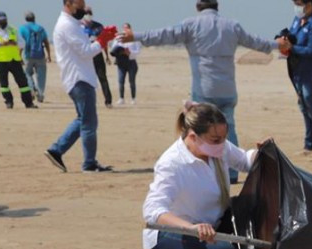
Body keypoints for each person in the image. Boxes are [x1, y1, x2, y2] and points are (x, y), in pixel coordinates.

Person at [118, 2, 278, 183]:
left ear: (198, 7)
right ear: (216, 6)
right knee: (228, 128)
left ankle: (207, 170)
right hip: (227, 90)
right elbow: (256, 42)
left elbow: (164, 35)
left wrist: (135, 36)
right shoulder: (232, 26)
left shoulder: (191, 25)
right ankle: (231, 173)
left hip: (204, 89)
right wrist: (278, 44)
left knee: (201, 131)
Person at [143, 102, 263, 249]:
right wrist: (191, 228)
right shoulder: (172, 163)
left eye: (224, 138)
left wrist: (261, 153)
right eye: (216, 139)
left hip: (212, 224)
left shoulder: (219, 146)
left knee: (249, 217)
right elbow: (153, 211)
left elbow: (244, 161)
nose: (222, 144)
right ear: (193, 137)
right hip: (172, 234)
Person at [44, 0, 115, 173]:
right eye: (80, 6)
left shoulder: (74, 24)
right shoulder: (67, 25)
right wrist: (102, 41)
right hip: (78, 79)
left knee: (83, 119)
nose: (83, 9)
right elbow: (85, 51)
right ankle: (89, 163)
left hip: (80, 78)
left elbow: (85, 48)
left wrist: (101, 37)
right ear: (68, 3)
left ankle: (56, 150)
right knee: (89, 123)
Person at [278, 0, 312, 159]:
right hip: (298, 73)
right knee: (304, 108)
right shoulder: (297, 20)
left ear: (309, 5)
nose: (297, 7)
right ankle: (310, 144)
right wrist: (284, 39)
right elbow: (293, 37)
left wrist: (292, 48)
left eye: (300, 3)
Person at [0, 11, 36, 109]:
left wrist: (15, 43)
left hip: (14, 60)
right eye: (0, 20)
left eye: (4, 20)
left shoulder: (12, 29)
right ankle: (9, 102)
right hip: (0, 61)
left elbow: (23, 43)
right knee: (4, 84)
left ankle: (28, 103)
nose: (3, 22)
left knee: (23, 83)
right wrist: (0, 44)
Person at [81, 7, 113, 108]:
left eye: (90, 13)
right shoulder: (79, 26)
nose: (88, 15)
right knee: (85, 79)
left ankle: (108, 101)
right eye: (86, 13)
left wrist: (107, 55)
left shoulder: (99, 27)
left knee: (102, 77)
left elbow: (104, 42)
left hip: (97, 55)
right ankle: (86, 101)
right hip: (85, 56)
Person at [18, 12, 51, 102]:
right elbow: (46, 42)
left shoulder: (22, 28)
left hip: (28, 55)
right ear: (34, 18)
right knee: (41, 76)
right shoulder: (41, 28)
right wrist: (49, 55)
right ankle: (40, 94)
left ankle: (31, 88)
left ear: (25, 18)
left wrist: (19, 56)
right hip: (40, 55)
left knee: (27, 73)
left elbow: (21, 44)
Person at [112, 25, 140, 105]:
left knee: (132, 81)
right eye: (124, 28)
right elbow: (113, 49)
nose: (125, 29)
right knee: (121, 81)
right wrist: (121, 51)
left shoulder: (134, 39)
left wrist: (129, 53)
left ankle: (133, 99)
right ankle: (121, 98)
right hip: (121, 62)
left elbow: (137, 51)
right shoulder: (118, 38)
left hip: (131, 62)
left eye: (127, 28)